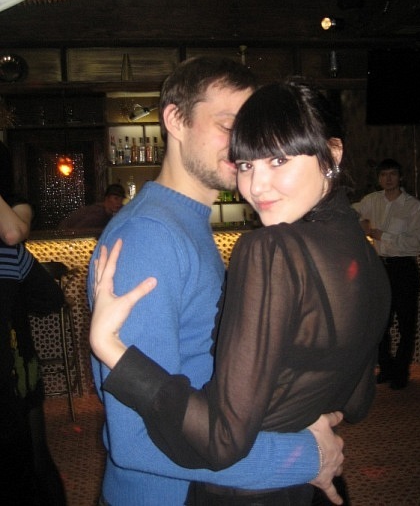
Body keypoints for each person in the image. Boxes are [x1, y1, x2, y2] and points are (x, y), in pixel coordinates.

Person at [90, 78, 391, 505]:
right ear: (174, 120)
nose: (256, 185)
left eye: (279, 158)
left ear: (333, 153)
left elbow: (220, 437)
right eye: (246, 159)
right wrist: (302, 448)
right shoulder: (363, 253)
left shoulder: (272, 249)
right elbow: (355, 401)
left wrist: (109, 347)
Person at [0, 141, 67, 505]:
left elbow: (13, 233)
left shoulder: (16, 209)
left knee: (31, 460)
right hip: (15, 360)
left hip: (15, 363)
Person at [352, 158, 420, 389]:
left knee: (406, 324)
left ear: (400, 177)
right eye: (384, 175)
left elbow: (415, 243)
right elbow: (349, 212)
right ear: (379, 178)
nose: (388, 179)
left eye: (392, 174)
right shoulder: (372, 200)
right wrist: (359, 223)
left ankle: (401, 373)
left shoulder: (413, 206)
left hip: (403, 268)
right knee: (380, 323)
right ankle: (386, 367)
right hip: (379, 267)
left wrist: (379, 234)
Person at [58, 183, 125, 231]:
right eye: (116, 198)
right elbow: (78, 231)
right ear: (107, 198)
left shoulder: (106, 213)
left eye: (121, 199)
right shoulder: (98, 214)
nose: (119, 203)